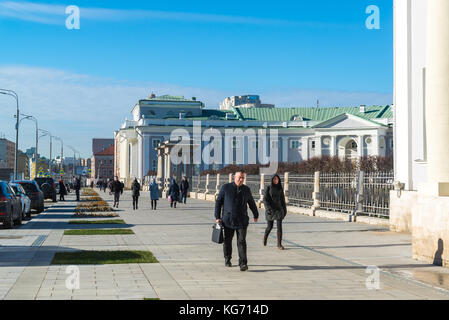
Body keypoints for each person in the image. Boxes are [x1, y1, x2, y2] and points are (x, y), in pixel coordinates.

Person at [214, 170, 259, 272]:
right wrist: (217, 216)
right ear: (234, 177)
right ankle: (227, 258)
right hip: (228, 220)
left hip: (242, 220)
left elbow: (251, 202)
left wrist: (255, 214)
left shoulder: (246, 189)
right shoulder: (226, 188)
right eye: (239, 177)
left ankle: (243, 263)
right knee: (227, 241)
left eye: (243, 178)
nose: (241, 179)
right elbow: (218, 202)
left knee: (242, 241)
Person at [262, 174, 287, 250]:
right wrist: (268, 208)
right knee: (270, 227)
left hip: (279, 210)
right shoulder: (268, 188)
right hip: (270, 210)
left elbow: (282, 199)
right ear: (272, 180)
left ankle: (279, 244)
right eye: (274, 179)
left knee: (279, 227)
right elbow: (265, 199)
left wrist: (284, 210)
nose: (276, 180)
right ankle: (265, 237)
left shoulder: (280, 188)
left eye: (277, 179)